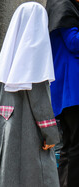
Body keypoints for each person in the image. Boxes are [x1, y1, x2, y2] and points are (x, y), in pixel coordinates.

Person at [0, 2, 60, 187]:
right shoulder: (35, 60)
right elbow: (41, 104)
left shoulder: (8, 58)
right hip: (31, 134)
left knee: (7, 173)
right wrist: (51, 135)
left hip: (7, 128)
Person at [46, 0, 79, 186]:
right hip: (73, 89)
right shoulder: (64, 6)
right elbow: (74, 43)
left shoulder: (59, 5)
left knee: (69, 146)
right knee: (74, 146)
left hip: (67, 90)